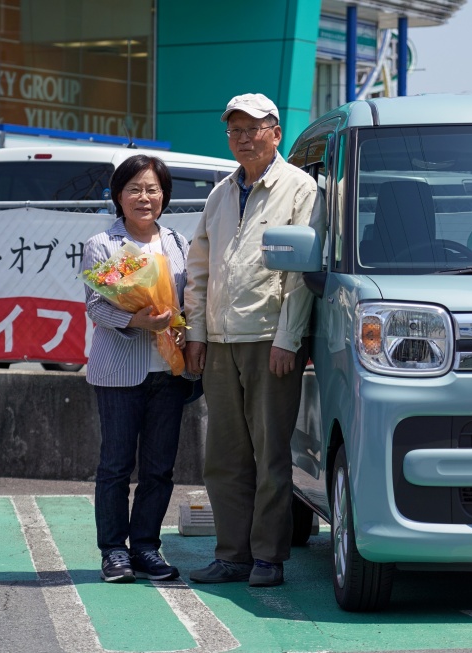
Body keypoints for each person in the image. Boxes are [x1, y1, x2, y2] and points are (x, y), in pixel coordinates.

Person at [185, 93, 320, 587]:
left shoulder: (300, 187)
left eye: (253, 128)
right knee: (223, 457)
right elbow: (199, 268)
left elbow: (302, 272)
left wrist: (289, 337)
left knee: (270, 455)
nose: (243, 138)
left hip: (269, 340)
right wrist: (196, 333)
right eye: (235, 130)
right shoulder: (221, 192)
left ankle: (267, 557)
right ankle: (232, 555)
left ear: (276, 133)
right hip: (220, 340)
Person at [83, 154, 192, 583]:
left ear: (164, 195)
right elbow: (96, 305)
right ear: (118, 196)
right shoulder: (102, 244)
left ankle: (145, 546)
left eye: (152, 189)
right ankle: (114, 550)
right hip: (118, 373)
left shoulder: (178, 243)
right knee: (115, 465)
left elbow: (189, 301)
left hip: (169, 371)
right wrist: (136, 320)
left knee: (159, 467)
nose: (144, 198)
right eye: (134, 189)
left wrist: (183, 328)